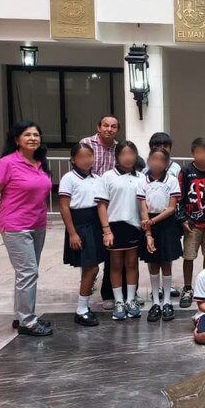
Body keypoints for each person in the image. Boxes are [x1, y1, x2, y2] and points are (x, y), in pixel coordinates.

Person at [0, 121, 54, 336]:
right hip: (16, 226)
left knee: (26, 273)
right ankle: (28, 322)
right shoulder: (7, 163)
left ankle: (21, 315)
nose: (33, 138)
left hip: (37, 224)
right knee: (28, 272)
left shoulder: (40, 163)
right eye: (27, 135)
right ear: (17, 139)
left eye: (36, 134)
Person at [58, 143, 106, 327]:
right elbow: (63, 206)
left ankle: (84, 306)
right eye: (82, 157)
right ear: (73, 159)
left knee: (92, 267)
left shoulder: (96, 178)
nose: (87, 160)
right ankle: (81, 310)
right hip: (79, 225)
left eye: (90, 156)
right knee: (91, 268)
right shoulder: (69, 178)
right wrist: (72, 233)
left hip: (95, 223)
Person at [96, 141, 144, 321]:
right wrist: (106, 230)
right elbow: (101, 205)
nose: (128, 157)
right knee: (115, 264)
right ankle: (118, 301)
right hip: (115, 226)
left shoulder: (141, 177)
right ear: (117, 156)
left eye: (131, 153)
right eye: (124, 154)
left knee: (132, 263)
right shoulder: (107, 177)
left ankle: (131, 299)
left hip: (134, 226)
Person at [138, 148, 182, 323]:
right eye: (153, 159)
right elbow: (142, 207)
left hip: (166, 224)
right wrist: (148, 232)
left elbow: (171, 208)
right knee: (153, 263)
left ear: (166, 163)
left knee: (166, 262)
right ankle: (155, 302)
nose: (156, 163)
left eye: (160, 160)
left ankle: (167, 302)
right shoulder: (142, 181)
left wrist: (152, 222)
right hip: (148, 223)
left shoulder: (171, 180)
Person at [80, 115, 120, 310]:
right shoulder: (86, 144)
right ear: (98, 126)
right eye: (106, 125)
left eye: (113, 126)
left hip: (110, 206)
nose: (109, 129)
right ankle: (85, 290)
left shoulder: (119, 148)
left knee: (111, 251)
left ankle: (109, 293)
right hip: (88, 205)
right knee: (91, 253)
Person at [176, 138, 205, 308]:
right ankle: (187, 287)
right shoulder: (185, 171)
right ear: (193, 153)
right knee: (189, 256)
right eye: (198, 152)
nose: (202, 155)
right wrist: (183, 219)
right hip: (191, 223)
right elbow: (178, 196)